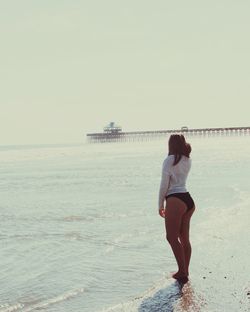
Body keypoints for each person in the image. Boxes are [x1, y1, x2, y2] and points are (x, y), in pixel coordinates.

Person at [158, 134, 195, 284]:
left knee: (171, 237)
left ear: (171, 145)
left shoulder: (169, 160)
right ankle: (185, 270)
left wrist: (160, 204)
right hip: (188, 200)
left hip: (175, 200)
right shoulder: (187, 160)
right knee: (184, 239)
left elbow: (164, 184)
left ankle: (182, 271)